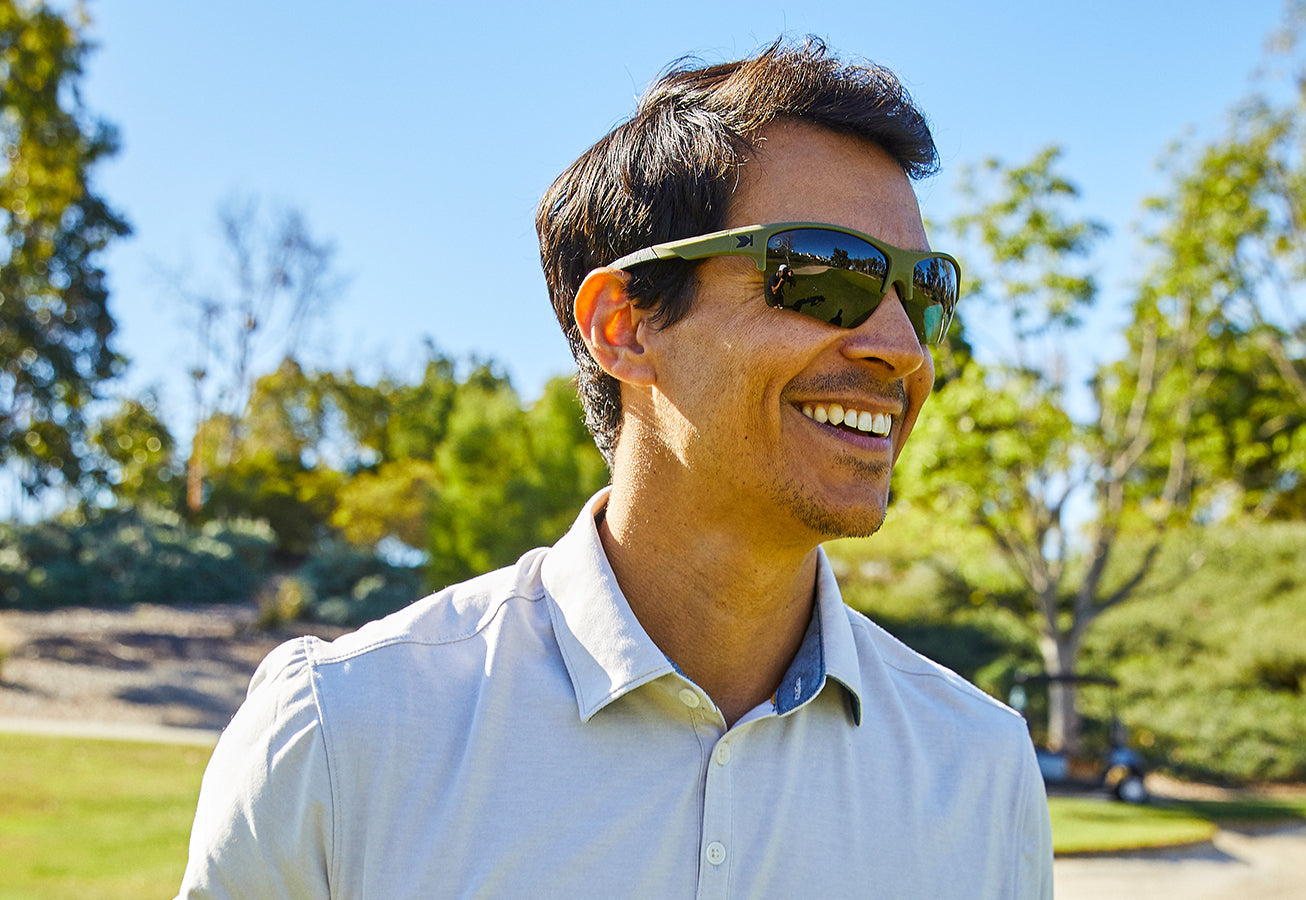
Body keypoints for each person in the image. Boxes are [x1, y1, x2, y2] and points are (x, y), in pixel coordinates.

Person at [178, 37, 1053, 899]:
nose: (902, 349)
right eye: (827, 273)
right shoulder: (340, 737)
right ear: (624, 324)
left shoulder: (982, 773)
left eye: (925, 290)